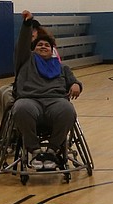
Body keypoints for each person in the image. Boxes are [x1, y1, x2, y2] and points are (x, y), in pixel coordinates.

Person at [12, 26, 82, 170]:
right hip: (30, 99)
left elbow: (74, 81)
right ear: (33, 48)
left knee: (68, 110)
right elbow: (22, 45)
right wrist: (27, 24)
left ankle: (52, 151)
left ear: (52, 50)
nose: (43, 46)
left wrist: (76, 85)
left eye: (47, 45)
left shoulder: (62, 68)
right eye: (39, 45)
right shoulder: (26, 61)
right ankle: (35, 151)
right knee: (20, 108)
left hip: (55, 101)